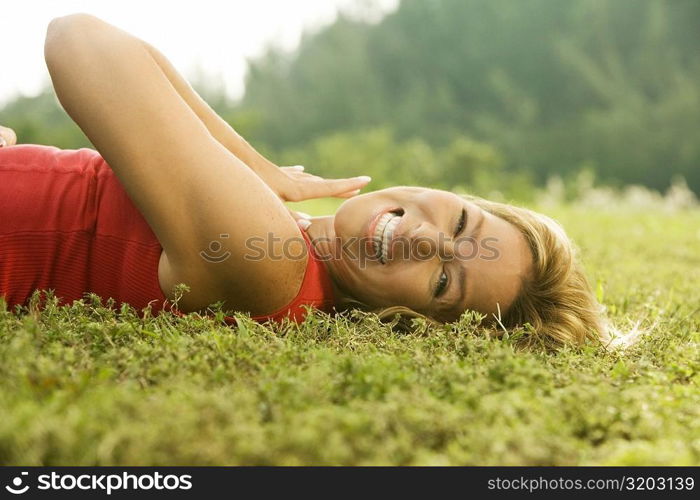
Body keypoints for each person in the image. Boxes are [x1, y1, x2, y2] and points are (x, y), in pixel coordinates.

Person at [0, 14, 608, 349]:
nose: (426, 239)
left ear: (408, 320)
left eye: (445, 279)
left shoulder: (273, 264)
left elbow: (81, 39)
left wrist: (256, 166)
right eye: (459, 223)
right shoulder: (283, 243)